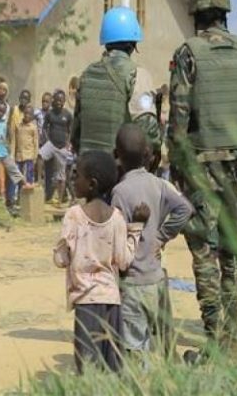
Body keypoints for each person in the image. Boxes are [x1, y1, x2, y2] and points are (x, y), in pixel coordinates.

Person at [168, 0, 237, 357]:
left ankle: (213, 333)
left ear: (196, 14)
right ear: (224, 13)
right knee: (232, 251)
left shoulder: (188, 54)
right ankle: (230, 337)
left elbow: (178, 121)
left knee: (204, 252)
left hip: (201, 167)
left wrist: (178, 168)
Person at [53, 150, 141, 374]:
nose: (73, 179)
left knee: (88, 369)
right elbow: (123, 261)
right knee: (111, 367)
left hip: (86, 302)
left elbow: (61, 260)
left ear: (91, 184)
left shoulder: (73, 215)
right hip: (112, 301)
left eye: (77, 175)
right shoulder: (117, 218)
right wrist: (136, 230)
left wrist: (63, 251)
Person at [111, 124, 192, 357]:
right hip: (155, 280)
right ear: (148, 154)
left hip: (132, 282)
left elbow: (116, 238)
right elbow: (185, 209)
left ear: (117, 155)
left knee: (135, 348)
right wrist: (161, 237)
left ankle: (142, 377)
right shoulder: (158, 184)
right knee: (154, 339)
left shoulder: (120, 192)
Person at [71, 7, 161, 168]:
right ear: (133, 44)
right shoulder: (137, 75)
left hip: (88, 166)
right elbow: (147, 126)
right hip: (118, 169)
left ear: (106, 42)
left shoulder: (87, 75)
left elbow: (76, 131)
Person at [0, 101, 25, 213]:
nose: (0, 113)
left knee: (12, 167)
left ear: (5, 112)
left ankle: (21, 181)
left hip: (4, 151)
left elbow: (8, 136)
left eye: (2, 111)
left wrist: (8, 147)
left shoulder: (5, 123)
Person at [41, 90, 73, 205]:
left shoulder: (68, 115)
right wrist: (47, 140)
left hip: (62, 147)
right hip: (51, 144)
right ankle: (38, 182)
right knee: (39, 156)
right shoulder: (50, 114)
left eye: (61, 100)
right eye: (57, 100)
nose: (59, 102)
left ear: (64, 101)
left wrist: (68, 142)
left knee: (61, 176)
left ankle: (59, 200)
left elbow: (70, 130)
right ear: (53, 101)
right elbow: (44, 128)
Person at [13, 104, 39, 187]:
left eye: (29, 114)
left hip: (29, 154)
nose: (27, 115)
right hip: (19, 154)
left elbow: (36, 142)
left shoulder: (33, 127)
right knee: (18, 174)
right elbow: (15, 140)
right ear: (23, 114)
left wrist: (35, 155)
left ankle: (29, 186)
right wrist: (13, 153)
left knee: (29, 172)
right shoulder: (19, 125)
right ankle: (18, 189)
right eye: (26, 113)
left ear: (32, 116)